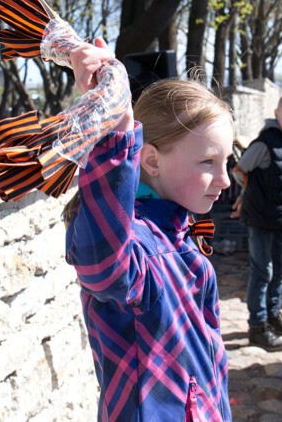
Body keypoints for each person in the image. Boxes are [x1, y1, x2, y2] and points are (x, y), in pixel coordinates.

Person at [63, 39, 233, 421]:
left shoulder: (180, 241)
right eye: (208, 161)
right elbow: (103, 266)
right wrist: (117, 134)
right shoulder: (136, 243)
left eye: (226, 161)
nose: (224, 179)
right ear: (151, 160)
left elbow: (211, 373)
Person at [233, 91, 282, 351]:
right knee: (262, 271)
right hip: (261, 219)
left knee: (281, 268)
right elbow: (241, 169)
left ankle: (273, 315)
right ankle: (258, 325)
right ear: (277, 114)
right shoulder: (265, 143)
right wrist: (246, 194)